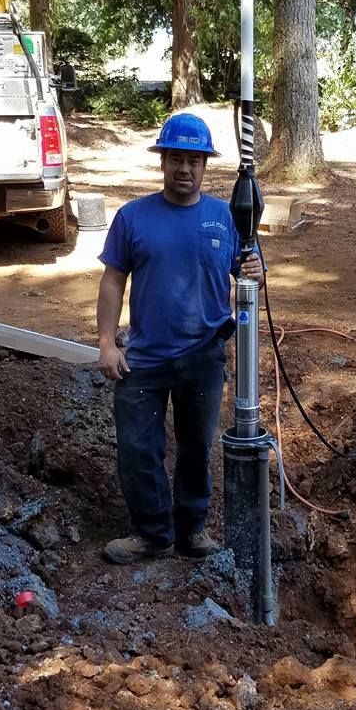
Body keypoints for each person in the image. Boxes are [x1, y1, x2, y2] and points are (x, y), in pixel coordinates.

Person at [96, 112, 265, 564]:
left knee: (196, 446)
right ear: (162, 161)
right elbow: (113, 281)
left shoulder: (225, 217)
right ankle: (153, 533)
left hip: (204, 354)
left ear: (206, 165)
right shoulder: (133, 217)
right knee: (137, 449)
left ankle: (192, 529)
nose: (184, 169)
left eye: (194, 160)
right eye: (175, 159)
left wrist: (256, 271)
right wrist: (107, 342)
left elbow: (250, 273)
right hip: (145, 358)